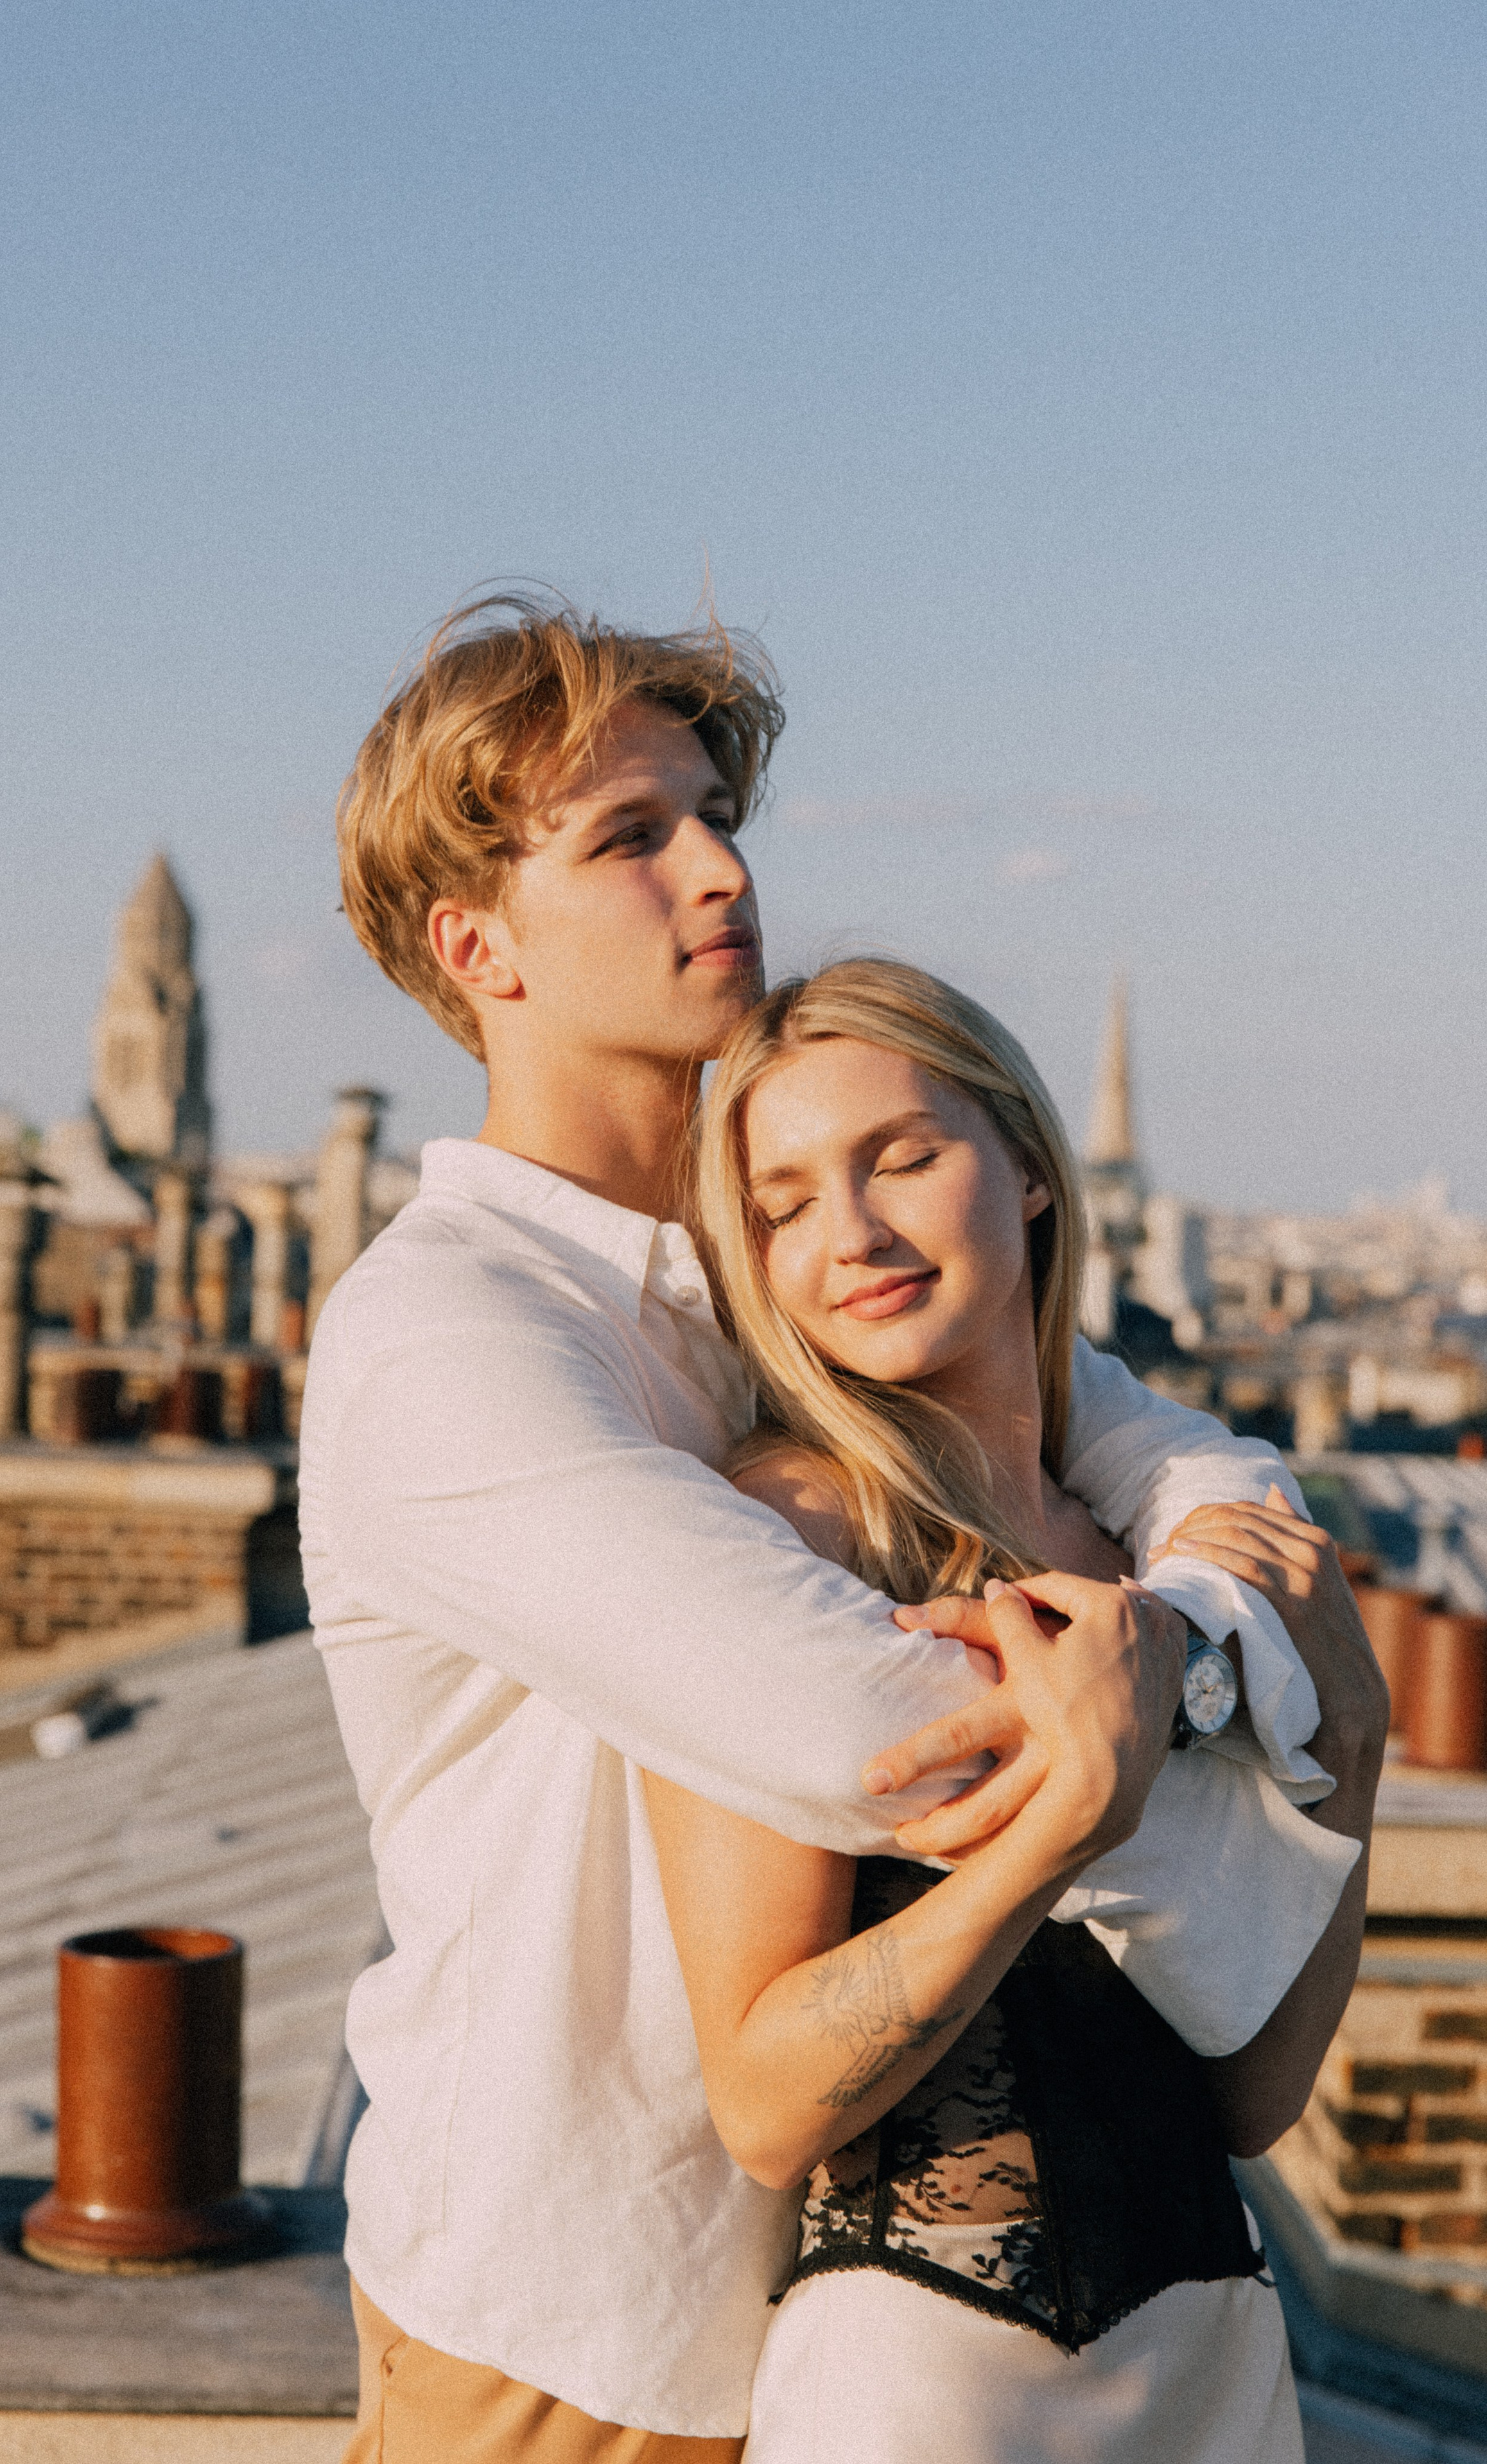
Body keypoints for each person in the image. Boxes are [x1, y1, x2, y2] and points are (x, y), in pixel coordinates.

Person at [300, 594, 1363, 2462]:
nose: (720, 869)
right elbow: (867, 1727)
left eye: (714, 815)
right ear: (478, 945)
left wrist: (1209, 1639)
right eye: (631, 836)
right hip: (578, 2326)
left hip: (838, 2305)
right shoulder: (447, 1333)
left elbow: (1180, 1458)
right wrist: (1250, 1688)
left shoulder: (777, 1270)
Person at [637, 959, 1386, 2462]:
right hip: (931, 2381)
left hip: (1214, 2354)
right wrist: (1057, 1831)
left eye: (901, 1156)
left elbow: (1250, 2094)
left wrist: (1352, 1752)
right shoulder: (781, 1537)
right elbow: (767, 2104)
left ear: (1030, 1167)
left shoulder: (1150, 1558)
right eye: (783, 1203)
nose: (849, 1230)